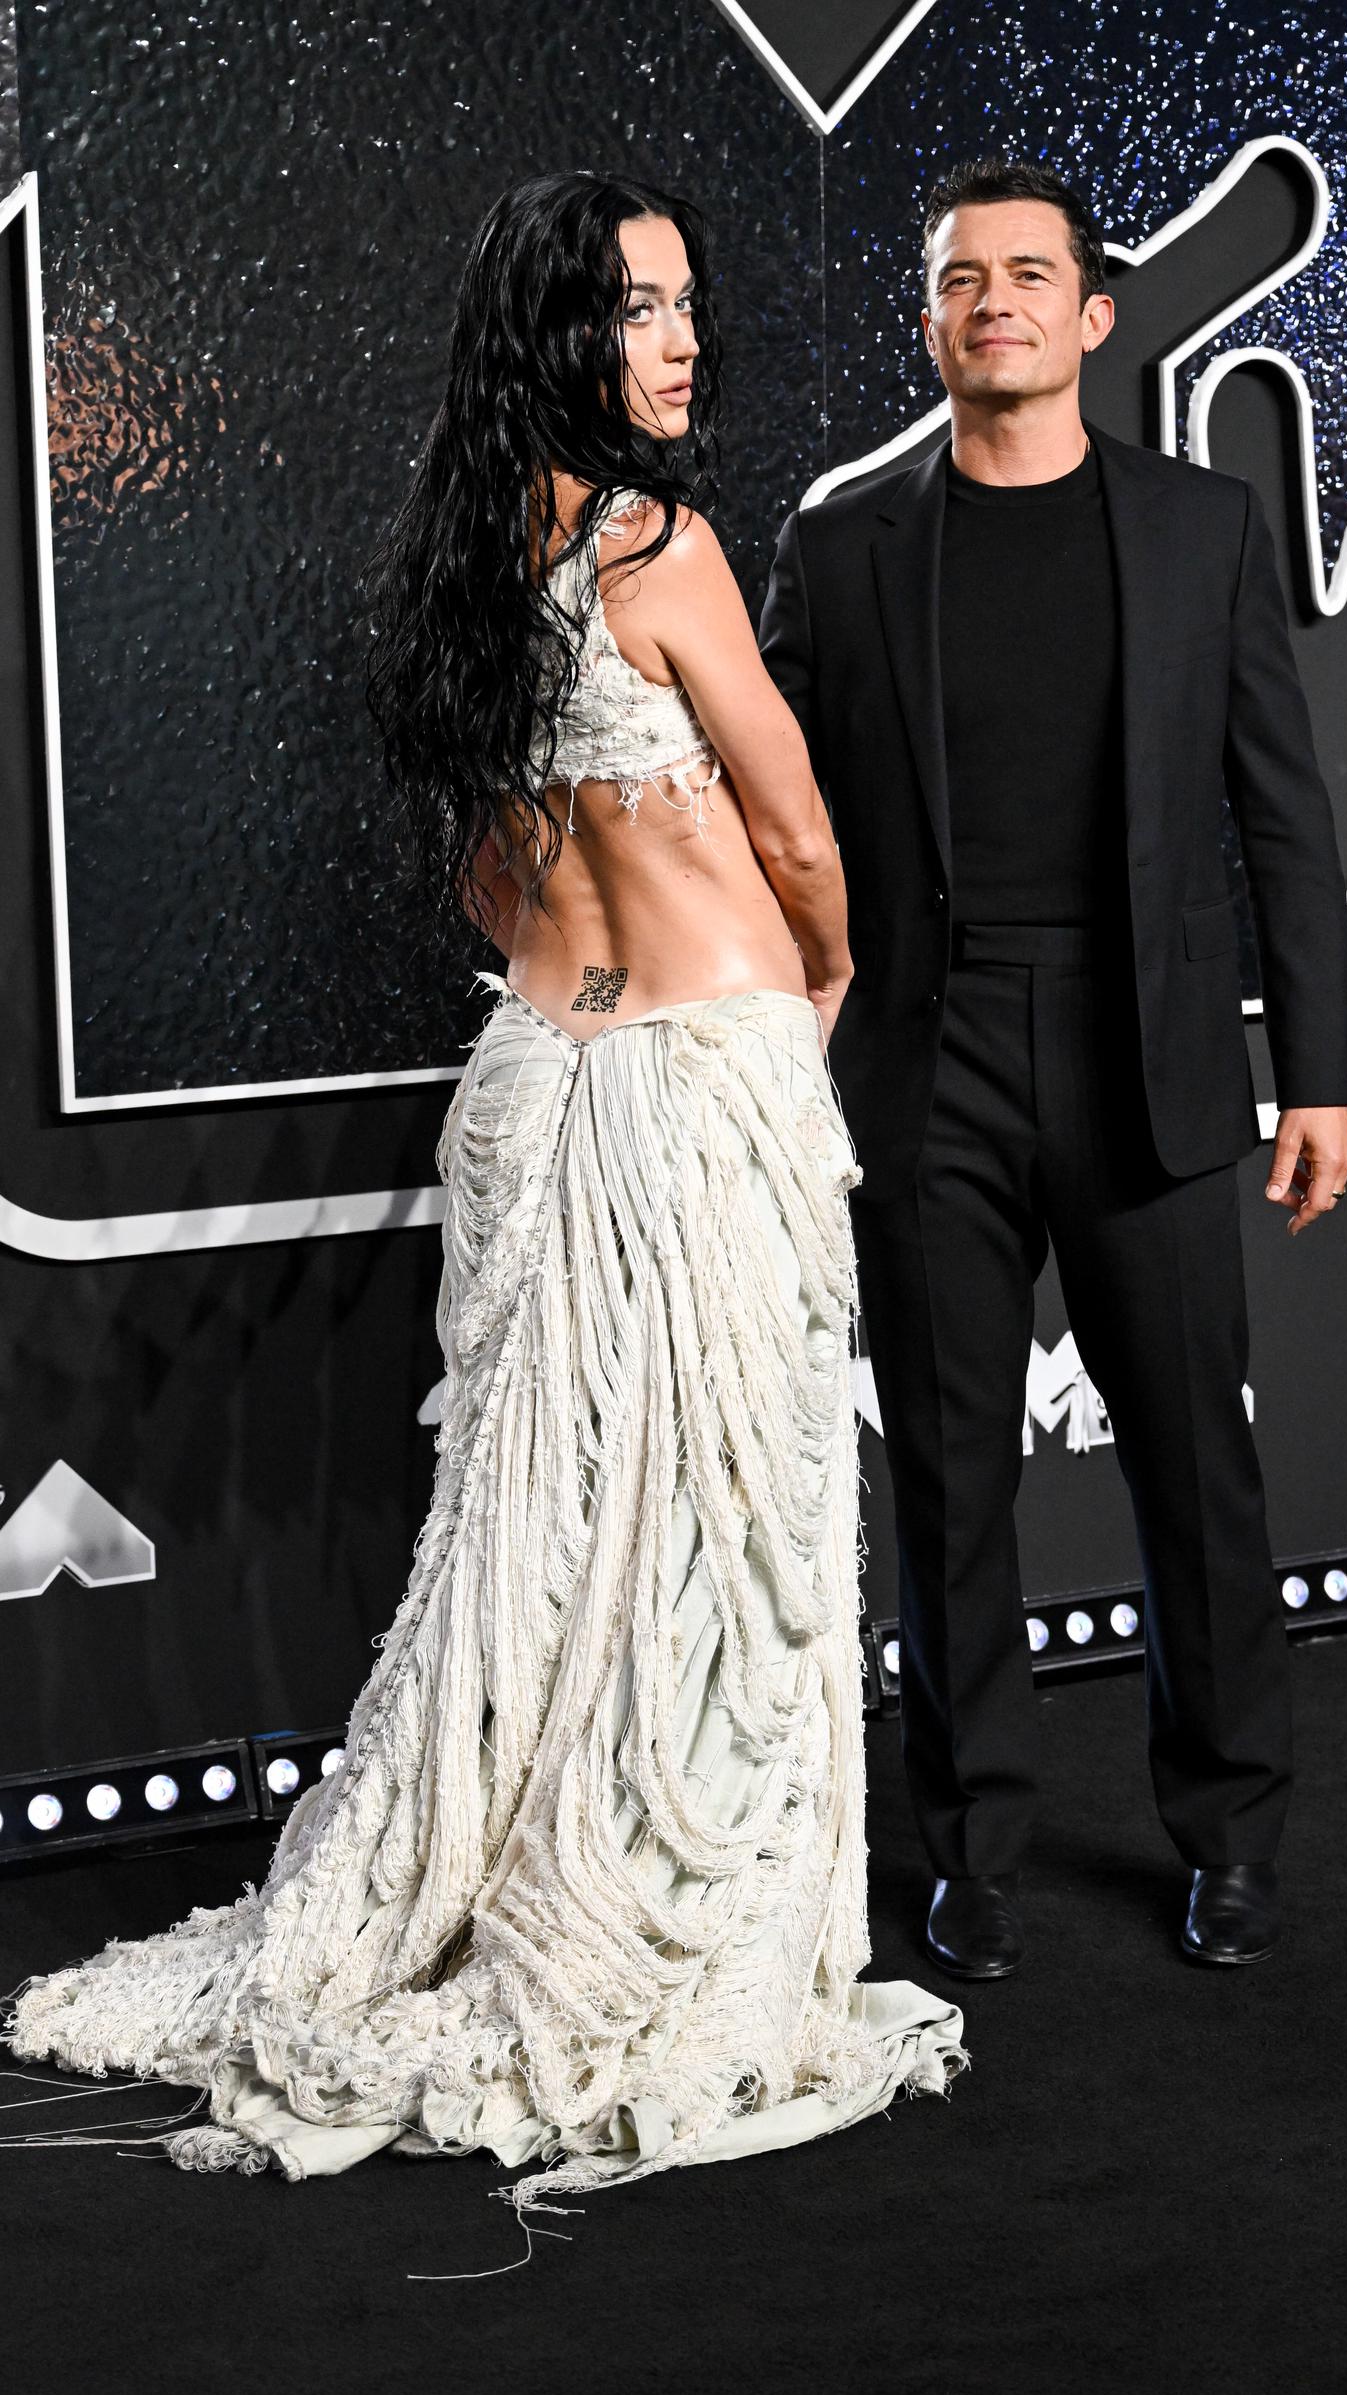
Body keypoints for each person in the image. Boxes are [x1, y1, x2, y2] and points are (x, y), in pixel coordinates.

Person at [6, 172, 961, 2203]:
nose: (682, 340)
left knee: (539, 1534)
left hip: (539, 1075)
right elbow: (792, 823)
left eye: (688, 302)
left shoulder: (462, 564)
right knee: (707, 1537)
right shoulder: (660, 540)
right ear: (559, 332)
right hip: (697, 1090)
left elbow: (487, 876)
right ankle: (669, 1924)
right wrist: (820, 971)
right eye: (639, 309)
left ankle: (499, 1871)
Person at [759, 156, 1347, 1980]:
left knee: (1198, 1475)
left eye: (1031, 275)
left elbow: (1281, 816)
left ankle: (1232, 1835)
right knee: (947, 1480)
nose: (995, 301)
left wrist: (1316, 1072)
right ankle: (971, 1847)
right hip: (928, 1066)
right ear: (930, 322)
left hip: (1148, 1057)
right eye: (963, 278)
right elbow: (762, 818)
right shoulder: (844, 547)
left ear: (1094, 318)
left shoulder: (1201, 529)